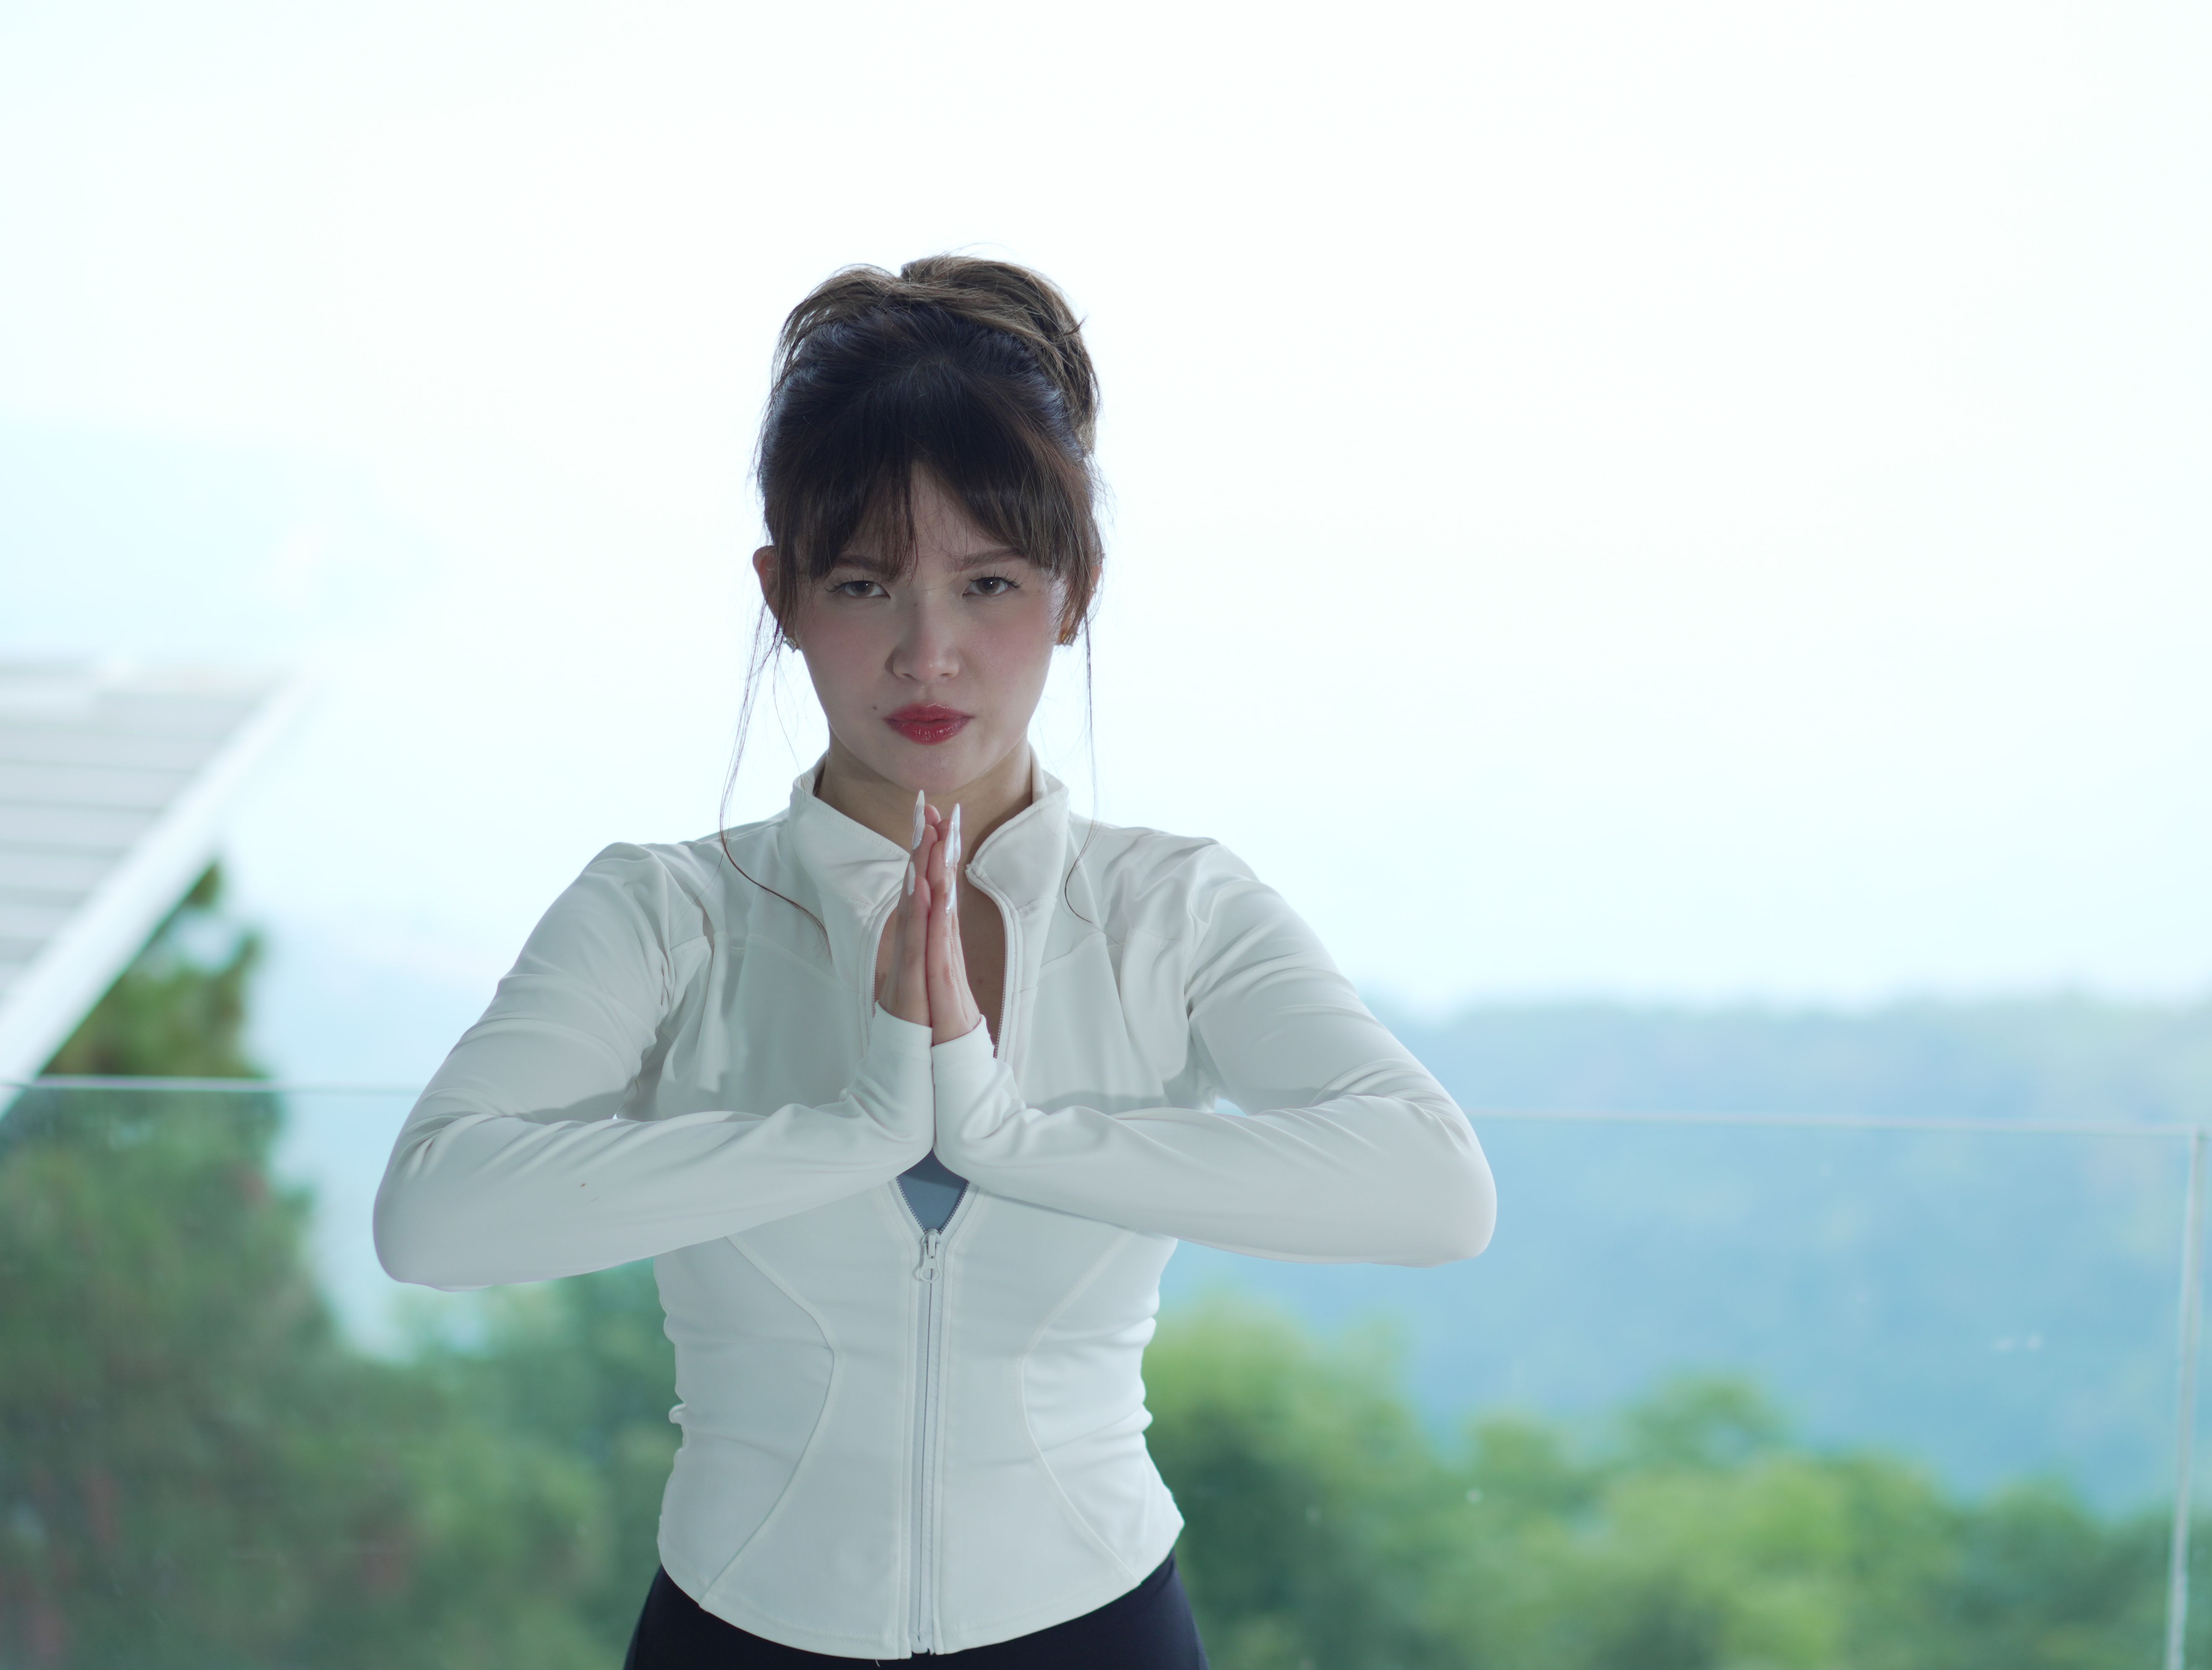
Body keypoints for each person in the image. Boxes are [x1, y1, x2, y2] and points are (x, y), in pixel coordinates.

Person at [373, 256, 1497, 1666]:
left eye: (989, 584)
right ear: (783, 593)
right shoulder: (663, 914)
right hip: (739, 1626)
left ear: (1076, 592)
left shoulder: (1175, 911)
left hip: (1094, 1625)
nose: (929, 652)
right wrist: (861, 1124)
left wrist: (998, 1129)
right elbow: (435, 1219)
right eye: (865, 583)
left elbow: (1436, 1190)